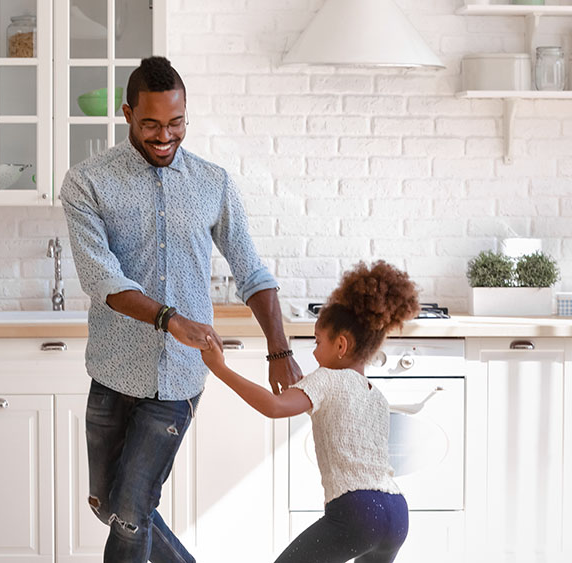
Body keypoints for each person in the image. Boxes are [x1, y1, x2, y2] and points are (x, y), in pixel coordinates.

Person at [59, 56, 302, 563]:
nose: (165, 136)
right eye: (151, 124)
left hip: (179, 380)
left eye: (176, 123)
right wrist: (170, 319)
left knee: (130, 512)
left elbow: (251, 271)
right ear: (127, 114)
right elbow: (102, 278)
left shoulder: (212, 183)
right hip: (112, 372)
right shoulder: (87, 182)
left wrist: (279, 349)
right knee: (112, 506)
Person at [201, 260, 416, 563]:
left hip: (358, 512)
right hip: (397, 512)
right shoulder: (375, 396)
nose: (314, 352)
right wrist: (302, 386)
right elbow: (340, 420)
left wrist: (219, 368)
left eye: (318, 342)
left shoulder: (327, 379)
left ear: (341, 345)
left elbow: (275, 407)